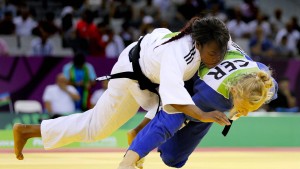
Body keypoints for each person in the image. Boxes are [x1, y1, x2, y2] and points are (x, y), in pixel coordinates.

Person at [13, 17, 231, 160]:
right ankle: (27, 131)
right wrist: (204, 115)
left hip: (147, 75)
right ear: (198, 43)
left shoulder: (210, 43)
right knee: (96, 128)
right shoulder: (180, 52)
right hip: (131, 74)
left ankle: (136, 134)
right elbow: (175, 100)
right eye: (212, 54)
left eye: (220, 54)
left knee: (170, 108)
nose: (216, 59)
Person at [119, 46, 278, 169]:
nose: (245, 114)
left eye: (251, 109)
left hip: (219, 65)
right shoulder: (212, 94)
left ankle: (141, 132)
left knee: (173, 159)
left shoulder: (266, 84)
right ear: (234, 92)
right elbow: (170, 118)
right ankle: (131, 152)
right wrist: (130, 159)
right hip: (186, 71)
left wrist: (239, 109)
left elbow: (260, 93)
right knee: (171, 131)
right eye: (243, 108)